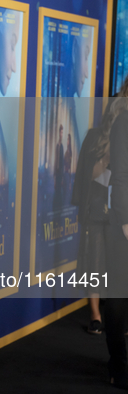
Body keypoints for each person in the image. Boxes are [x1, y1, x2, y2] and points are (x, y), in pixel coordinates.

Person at [71, 121, 110, 335]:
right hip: (96, 207)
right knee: (94, 260)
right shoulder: (96, 137)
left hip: (121, 210)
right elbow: (87, 174)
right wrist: (107, 156)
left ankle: (119, 318)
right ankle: (95, 314)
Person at [106, 78, 128, 389]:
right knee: (118, 297)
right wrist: (125, 220)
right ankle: (119, 364)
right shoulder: (123, 122)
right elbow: (119, 175)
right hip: (124, 222)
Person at [54, 124, 65, 208]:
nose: (61, 134)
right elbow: (56, 161)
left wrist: (62, 177)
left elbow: (62, 161)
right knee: (56, 191)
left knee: (59, 191)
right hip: (57, 172)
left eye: (62, 133)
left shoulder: (61, 147)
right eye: (61, 132)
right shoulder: (57, 146)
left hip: (60, 173)